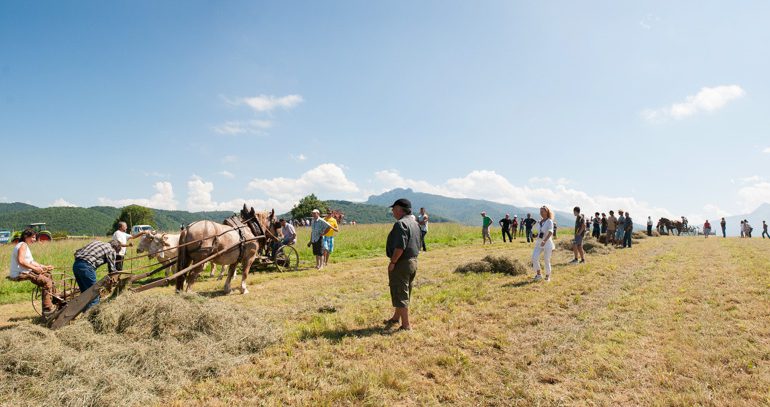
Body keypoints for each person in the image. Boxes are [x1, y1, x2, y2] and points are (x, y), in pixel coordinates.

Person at [383, 198, 421, 331]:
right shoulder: (415, 223)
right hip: (413, 261)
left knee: (400, 291)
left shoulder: (401, 224)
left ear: (399, 209)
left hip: (402, 262)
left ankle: (405, 325)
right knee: (405, 290)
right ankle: (395, 318)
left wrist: (393, 262)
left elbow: (400, 247)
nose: (392, 211)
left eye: (393, 209)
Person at [9, 228, 56, 316]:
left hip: (24, 271)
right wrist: (35, 269)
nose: (34, 240)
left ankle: (53, 299)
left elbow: (31, 262)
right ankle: (47, 309)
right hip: (20, 273)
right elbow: (21, 261)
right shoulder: (23, 245)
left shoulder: (24, 245)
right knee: (47, 282)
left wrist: (44, 266)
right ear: (26, 236)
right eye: (33, 237)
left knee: (48, 275)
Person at [72, 239, 122, 310]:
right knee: (94, 294)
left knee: (85, 294)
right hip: (87, 267)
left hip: (76, 265)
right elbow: (112, 270)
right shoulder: (111, 249)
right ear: (116, 248)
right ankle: (91, 315)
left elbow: (77, 252)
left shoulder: (97, 242)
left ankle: (84, 314)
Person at [531, 206, 555, 282]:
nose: (541, 213)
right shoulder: (539, 222)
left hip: (547, 243)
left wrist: (544, 240)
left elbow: (551, 232)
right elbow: (539, 233)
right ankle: (538, 275)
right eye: (540, 211)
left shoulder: (549, 221)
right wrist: (535, 235)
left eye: (542, 211)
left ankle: (547, 276)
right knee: (534, 257)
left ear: (546, 212)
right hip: (538, 243)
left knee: (546, 260)